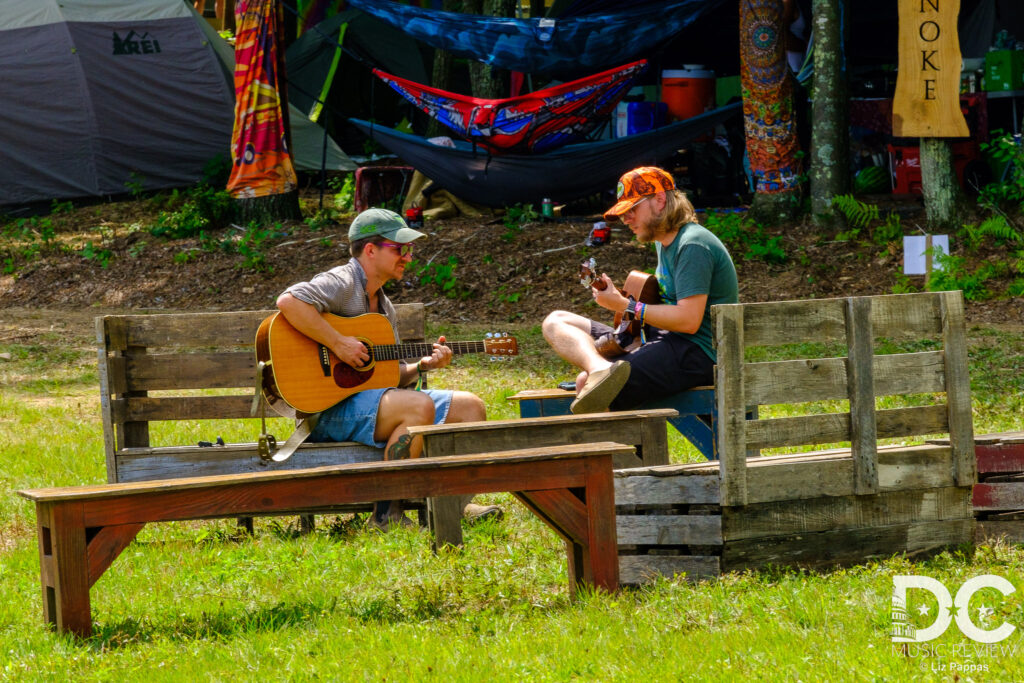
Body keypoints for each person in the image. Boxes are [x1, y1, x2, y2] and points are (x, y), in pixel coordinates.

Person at [276, 208, 498, 530]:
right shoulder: (341, 282)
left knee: (471, 407)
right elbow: (289, 302)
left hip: (369, 404)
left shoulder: (383, 307)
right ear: (370, 250)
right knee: (418, 407)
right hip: (325, 409)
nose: (408, 256)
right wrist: (338, 343)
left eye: (409, 249)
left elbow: (389, 374)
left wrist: (422, 366)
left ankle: (453, 506)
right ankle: (386, 515)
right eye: (400, 248)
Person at [542, 167, 739, 414]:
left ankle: (624, 448)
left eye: (632, 209)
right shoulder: (664, 242)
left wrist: (627, 306)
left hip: (697, 353)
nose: (626, 220)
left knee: (589, 387)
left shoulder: (693, 246)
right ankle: (599, 369)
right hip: (664, 339)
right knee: (556, 321)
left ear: (659, 200)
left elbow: (689, 321)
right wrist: (623, 303)